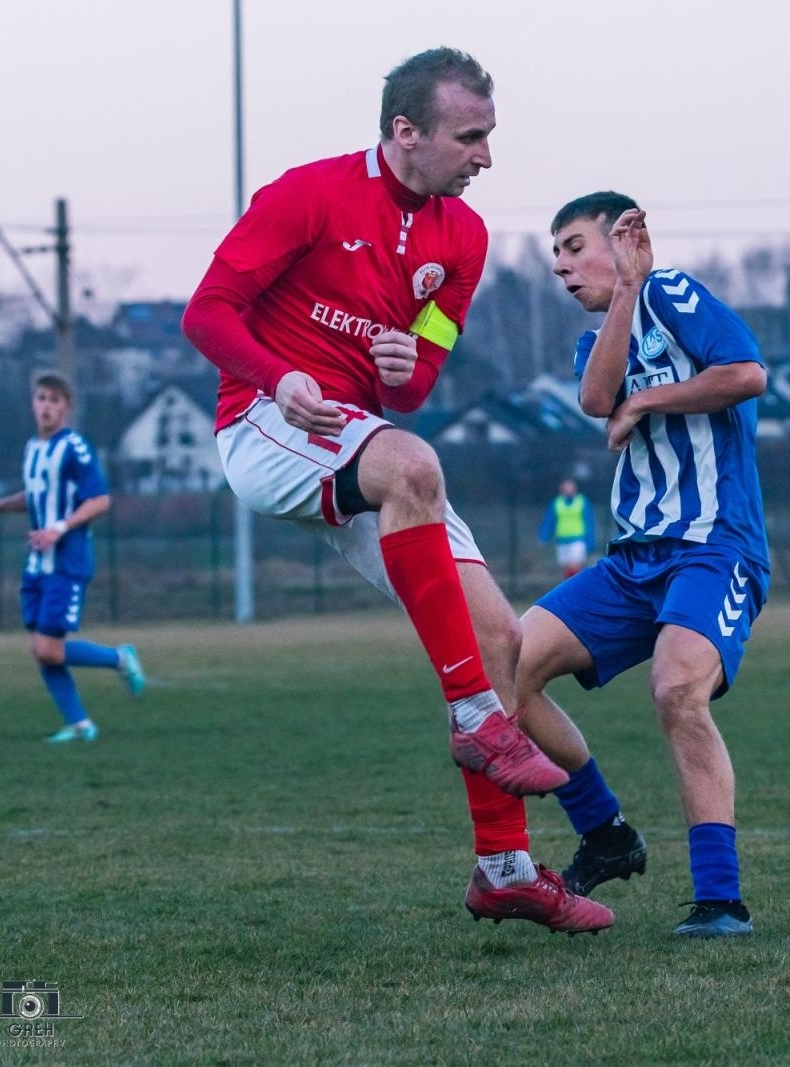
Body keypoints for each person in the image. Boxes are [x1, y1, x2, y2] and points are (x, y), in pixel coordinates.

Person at [179, 48, 613, 934]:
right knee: (413, 465)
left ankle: (504, 869)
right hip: (263, 423)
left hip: (361, 441)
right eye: (470, 136)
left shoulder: (465, 240)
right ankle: (475, 719)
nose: (486, 156)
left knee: (503, 639)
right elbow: (206, 313)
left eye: (489, 135)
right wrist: (277, 376)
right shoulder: (307, 195)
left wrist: (403, 363)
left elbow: (415, 387)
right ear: (405, 131)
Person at [514, 192, 770, 938]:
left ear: (625, 237)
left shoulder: (676, 293)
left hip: (714, 548)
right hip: (632, 560)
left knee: (677, 690)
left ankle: (720, 899)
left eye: (573, 246)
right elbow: (598, 398)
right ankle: (606, 833)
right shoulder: (604, 333)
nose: (560, 266)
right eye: (555, 254)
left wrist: (648, 395)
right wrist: (623, 292)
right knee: (507, 670)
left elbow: (747, 373)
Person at [0, 373, 145, 742]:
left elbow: (100, 499)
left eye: (55, 400)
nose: (46, 406)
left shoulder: (75, 447)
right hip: (37, 563)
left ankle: (120, 658)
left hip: (67, 562)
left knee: (48, 649)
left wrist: (59, 528)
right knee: (43, 651)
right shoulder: (33, 448)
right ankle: (80, 725)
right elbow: (36, 495)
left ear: (66, 408)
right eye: (41, 398)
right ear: (33, 404)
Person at [538, 478, 597, 579]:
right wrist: (543, 536)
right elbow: (550, 521)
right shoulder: (556, 503)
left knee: (575, 568)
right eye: (566, 488)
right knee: (566, 570)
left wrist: (591, 541)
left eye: (571, 487)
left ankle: (577, 587)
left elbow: (589, 522)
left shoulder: (582, 502)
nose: (569, 490)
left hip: (578, 540)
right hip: (561, 541)